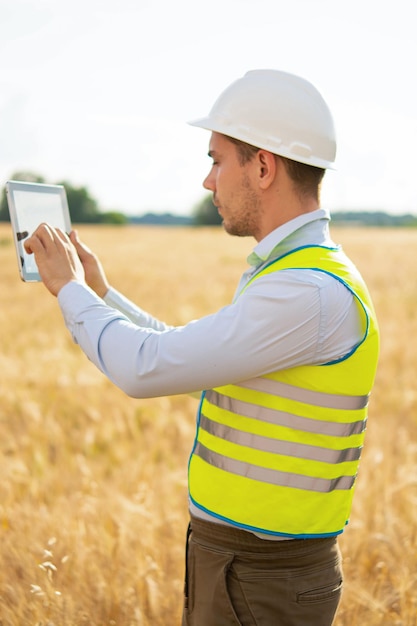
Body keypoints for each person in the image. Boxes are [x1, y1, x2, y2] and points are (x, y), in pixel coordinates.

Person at [25, 69, 380, 626]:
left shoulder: (306, 292)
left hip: (263, 575)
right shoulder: (295, 276)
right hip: (244, 565)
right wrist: (101, 294)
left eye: (217, 160)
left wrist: (67, 289)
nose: (207, 182)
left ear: (263, 167)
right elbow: (183, 353)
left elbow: (146, 368)